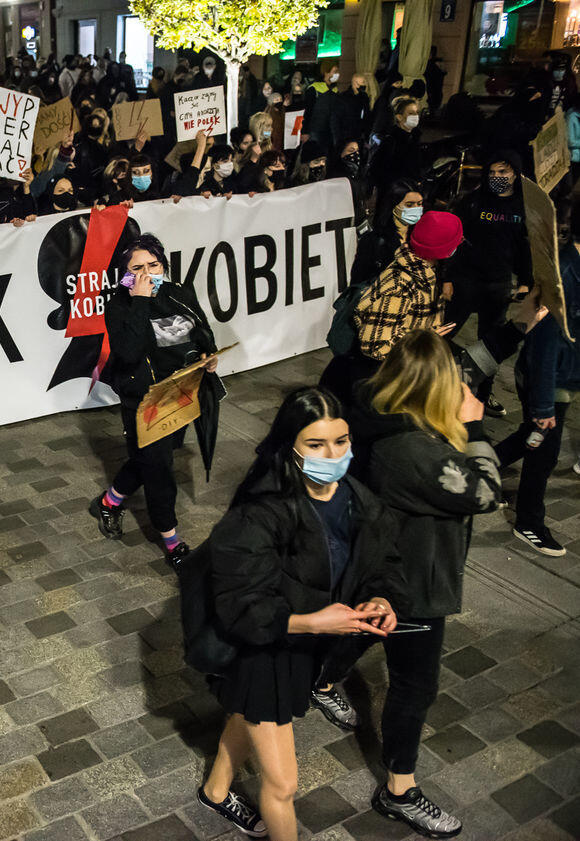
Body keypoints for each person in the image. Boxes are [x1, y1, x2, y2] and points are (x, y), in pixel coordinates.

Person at [196, 387, 404, 841]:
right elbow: (239, 604)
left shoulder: (356, 498)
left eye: (341, 441)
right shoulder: (260, 511)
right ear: (289, 446)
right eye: (316, 444)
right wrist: (312, 622)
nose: (333, 454)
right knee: (283, 784)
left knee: (246, 714)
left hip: (307, 647)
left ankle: (215, 791)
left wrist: (381, 599)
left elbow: (381, 561)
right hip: (265, 653)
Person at [318, 330, 501, 839]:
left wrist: (523, 324)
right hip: (413, 583)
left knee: (366, 628)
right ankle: (398, 791)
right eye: (456, 381)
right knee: (415, 686)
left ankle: (320, 680)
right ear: (437, 387)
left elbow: (478, 360)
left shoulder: (383, 411)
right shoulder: (413, 450)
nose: (465, 387)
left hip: (384, 567)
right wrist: (475, 426)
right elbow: (486, 492)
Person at [90, 235, 218, 562]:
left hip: (181, 392)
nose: (147, 273)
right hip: (146, 400)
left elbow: (202, 331)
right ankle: (172, 542)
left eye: (154, 265)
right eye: (137, 268)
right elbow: (129, 353)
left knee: (149, 458)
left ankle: (108, 502)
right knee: (160, 469)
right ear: (125, 273)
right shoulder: (119, 305)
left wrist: (209, 355)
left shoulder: (179, 293)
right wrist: (141, 301)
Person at [494, 199, 580, 557]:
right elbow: (544, 347)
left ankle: (483, 468)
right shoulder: (563, 277)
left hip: (565, 375)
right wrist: (544, 406)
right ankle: (529, 522)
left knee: (530, 435)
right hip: (549, 381)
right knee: (543, 451)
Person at [447, 150, 532, 416]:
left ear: (515, 174)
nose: (497, 177)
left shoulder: (523, 207)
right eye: (492, 172)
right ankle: (433, 384)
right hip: (466, 280)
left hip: (498, 284)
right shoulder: (473, 201)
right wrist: (447, 278)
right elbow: (454, 241)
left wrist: (525, 282)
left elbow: (526, 249)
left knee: (491, 343)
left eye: (503, 172)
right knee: (444, 332)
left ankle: (483, 395)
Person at [355, 210, 461, 363]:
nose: (460, 243)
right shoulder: (400, 285)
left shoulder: (427, 273)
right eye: (456, 241)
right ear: (443, 249)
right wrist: (426, 340)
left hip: (413, 364)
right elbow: (375, 346)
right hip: (393, 373)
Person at [367, 97, 422, 198]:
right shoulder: (391, 140)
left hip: (410, 191)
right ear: (399, 117)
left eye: (417, 112)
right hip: (393, 193)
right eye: (411, 113)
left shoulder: (415, 138)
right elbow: (377, 168)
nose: (415, 116)